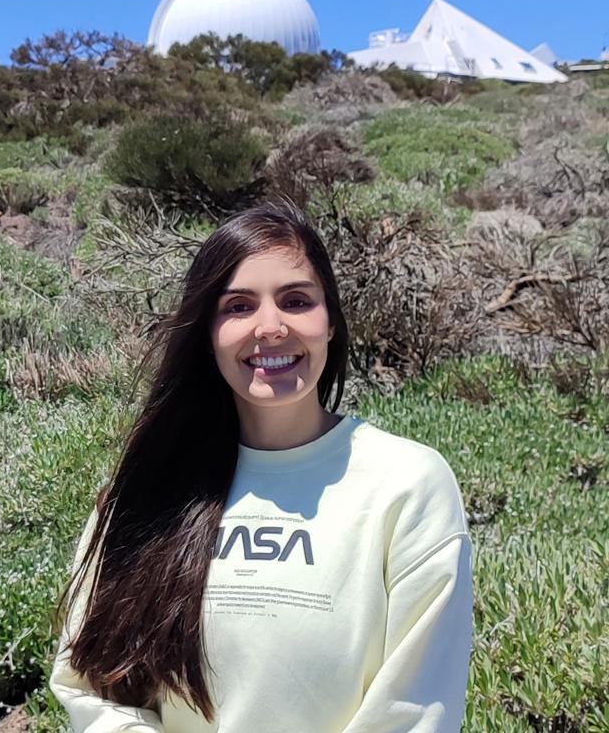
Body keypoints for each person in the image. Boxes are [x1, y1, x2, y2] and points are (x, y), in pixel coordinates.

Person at [48, 197, 474, 732]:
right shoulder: (149, 489)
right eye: (238, 306)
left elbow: (415, 707)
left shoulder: (407, 484)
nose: (270, 327)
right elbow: (89, 684)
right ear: (207, 335)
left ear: (331, 322)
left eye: (296, 300)